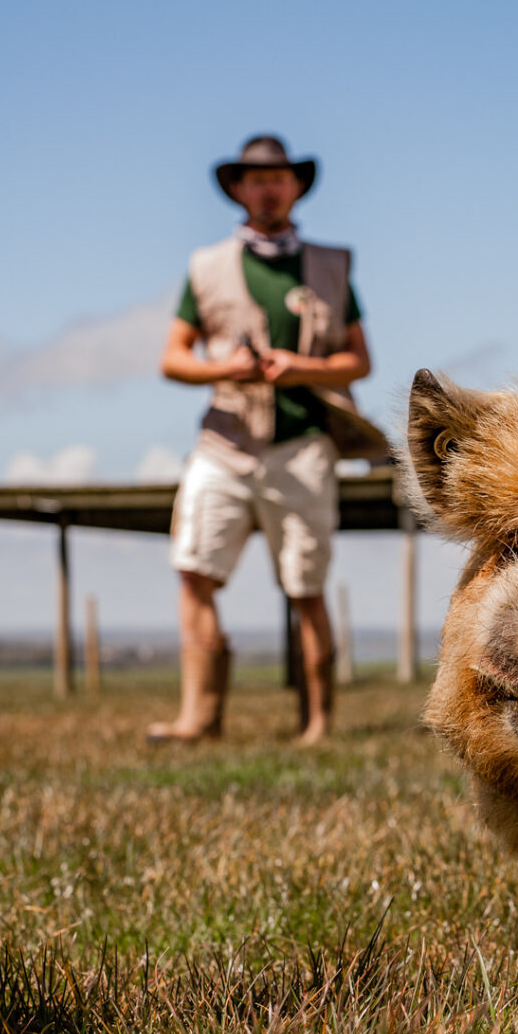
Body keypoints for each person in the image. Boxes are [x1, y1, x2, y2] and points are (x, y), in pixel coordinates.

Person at [147, 135, 389, 746]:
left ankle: (317, 724)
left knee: (305, 583)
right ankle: (198, 718)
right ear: (236, 189)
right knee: (193, 570)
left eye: (278, 177)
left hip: (303, 443)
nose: (267, 188)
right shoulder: (205, 266)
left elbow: (360, 361)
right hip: (224, 441)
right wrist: (223, 368)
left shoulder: (333, 265)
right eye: (255, 179)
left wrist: (299, 367)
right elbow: (172, 359)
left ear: (297, 186)